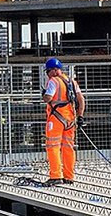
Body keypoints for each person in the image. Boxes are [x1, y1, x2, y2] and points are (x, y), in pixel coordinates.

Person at [42, 57, 85, 186]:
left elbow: (48, 98)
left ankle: (55, 176)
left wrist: (44, 95)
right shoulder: (72, 81)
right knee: (68, 147)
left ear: (53, 70)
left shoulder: (53, 81)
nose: (48, 75)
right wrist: (80, 116)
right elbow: (81, 99)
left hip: (56, 118)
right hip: (70, 119)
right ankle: (69, 176)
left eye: (48, 72)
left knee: (53, 146)